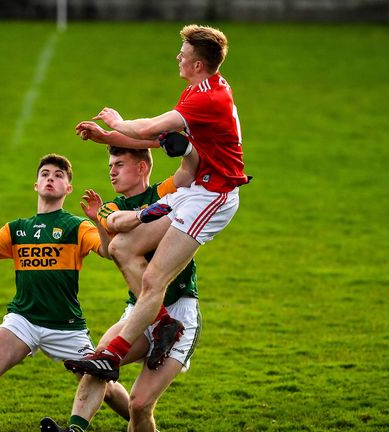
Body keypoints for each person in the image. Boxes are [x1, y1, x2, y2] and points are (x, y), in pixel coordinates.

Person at [65, 24, 249, 389]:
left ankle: (112, 355)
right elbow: (155, 138)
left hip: (213, 196)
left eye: (183, 54)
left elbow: (148, 128)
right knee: (121, 246)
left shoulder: (206, 98)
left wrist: (117, 122)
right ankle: (163, 322)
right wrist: (109, 136)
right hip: (195, 189)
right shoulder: (202, 89)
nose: (178, 57)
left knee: (153, 279)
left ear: (198, 64)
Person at [0, 154, 130, 432]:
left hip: (66, 326)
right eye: (45, 174)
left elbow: (106, 250)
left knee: (105, 385)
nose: (50, 178)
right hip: (24, 319)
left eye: (58, 175)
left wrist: (98, 222)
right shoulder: (18, 229)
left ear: (68, 188)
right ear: (36, 185)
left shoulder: (76, 226)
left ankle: (143, 422)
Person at [40, 146, 201, 432]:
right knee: (99, 361)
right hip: (140, 310)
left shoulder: (163, 192)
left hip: (181, 311)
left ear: (141, 168)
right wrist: (147, 214)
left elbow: (189, 170)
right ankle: (75, 430)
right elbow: (114, 222)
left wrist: (185, 143)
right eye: (110, 166)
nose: (111, 172)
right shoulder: (110, 207)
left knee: (139, 405)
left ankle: (167, 325)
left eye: (119, 165)